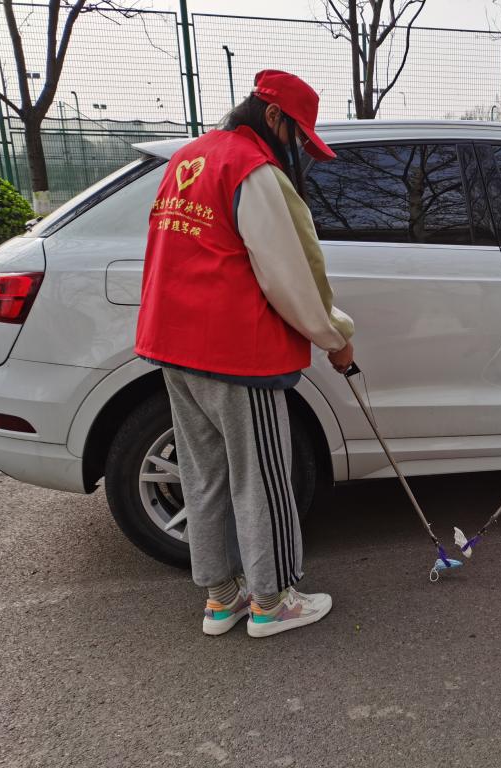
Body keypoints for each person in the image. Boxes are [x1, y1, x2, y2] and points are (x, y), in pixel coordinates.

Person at [135, 70, 355, 638]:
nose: (297, 149)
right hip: (236, 354)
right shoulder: (252, 169)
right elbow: (289, 274)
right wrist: (333, 337)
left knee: (203, 474)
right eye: (297, 135)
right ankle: (272, 602)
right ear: (273, 116)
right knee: (262, 480)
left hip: (175, 345)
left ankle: (221, 597)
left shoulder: (190, 159)